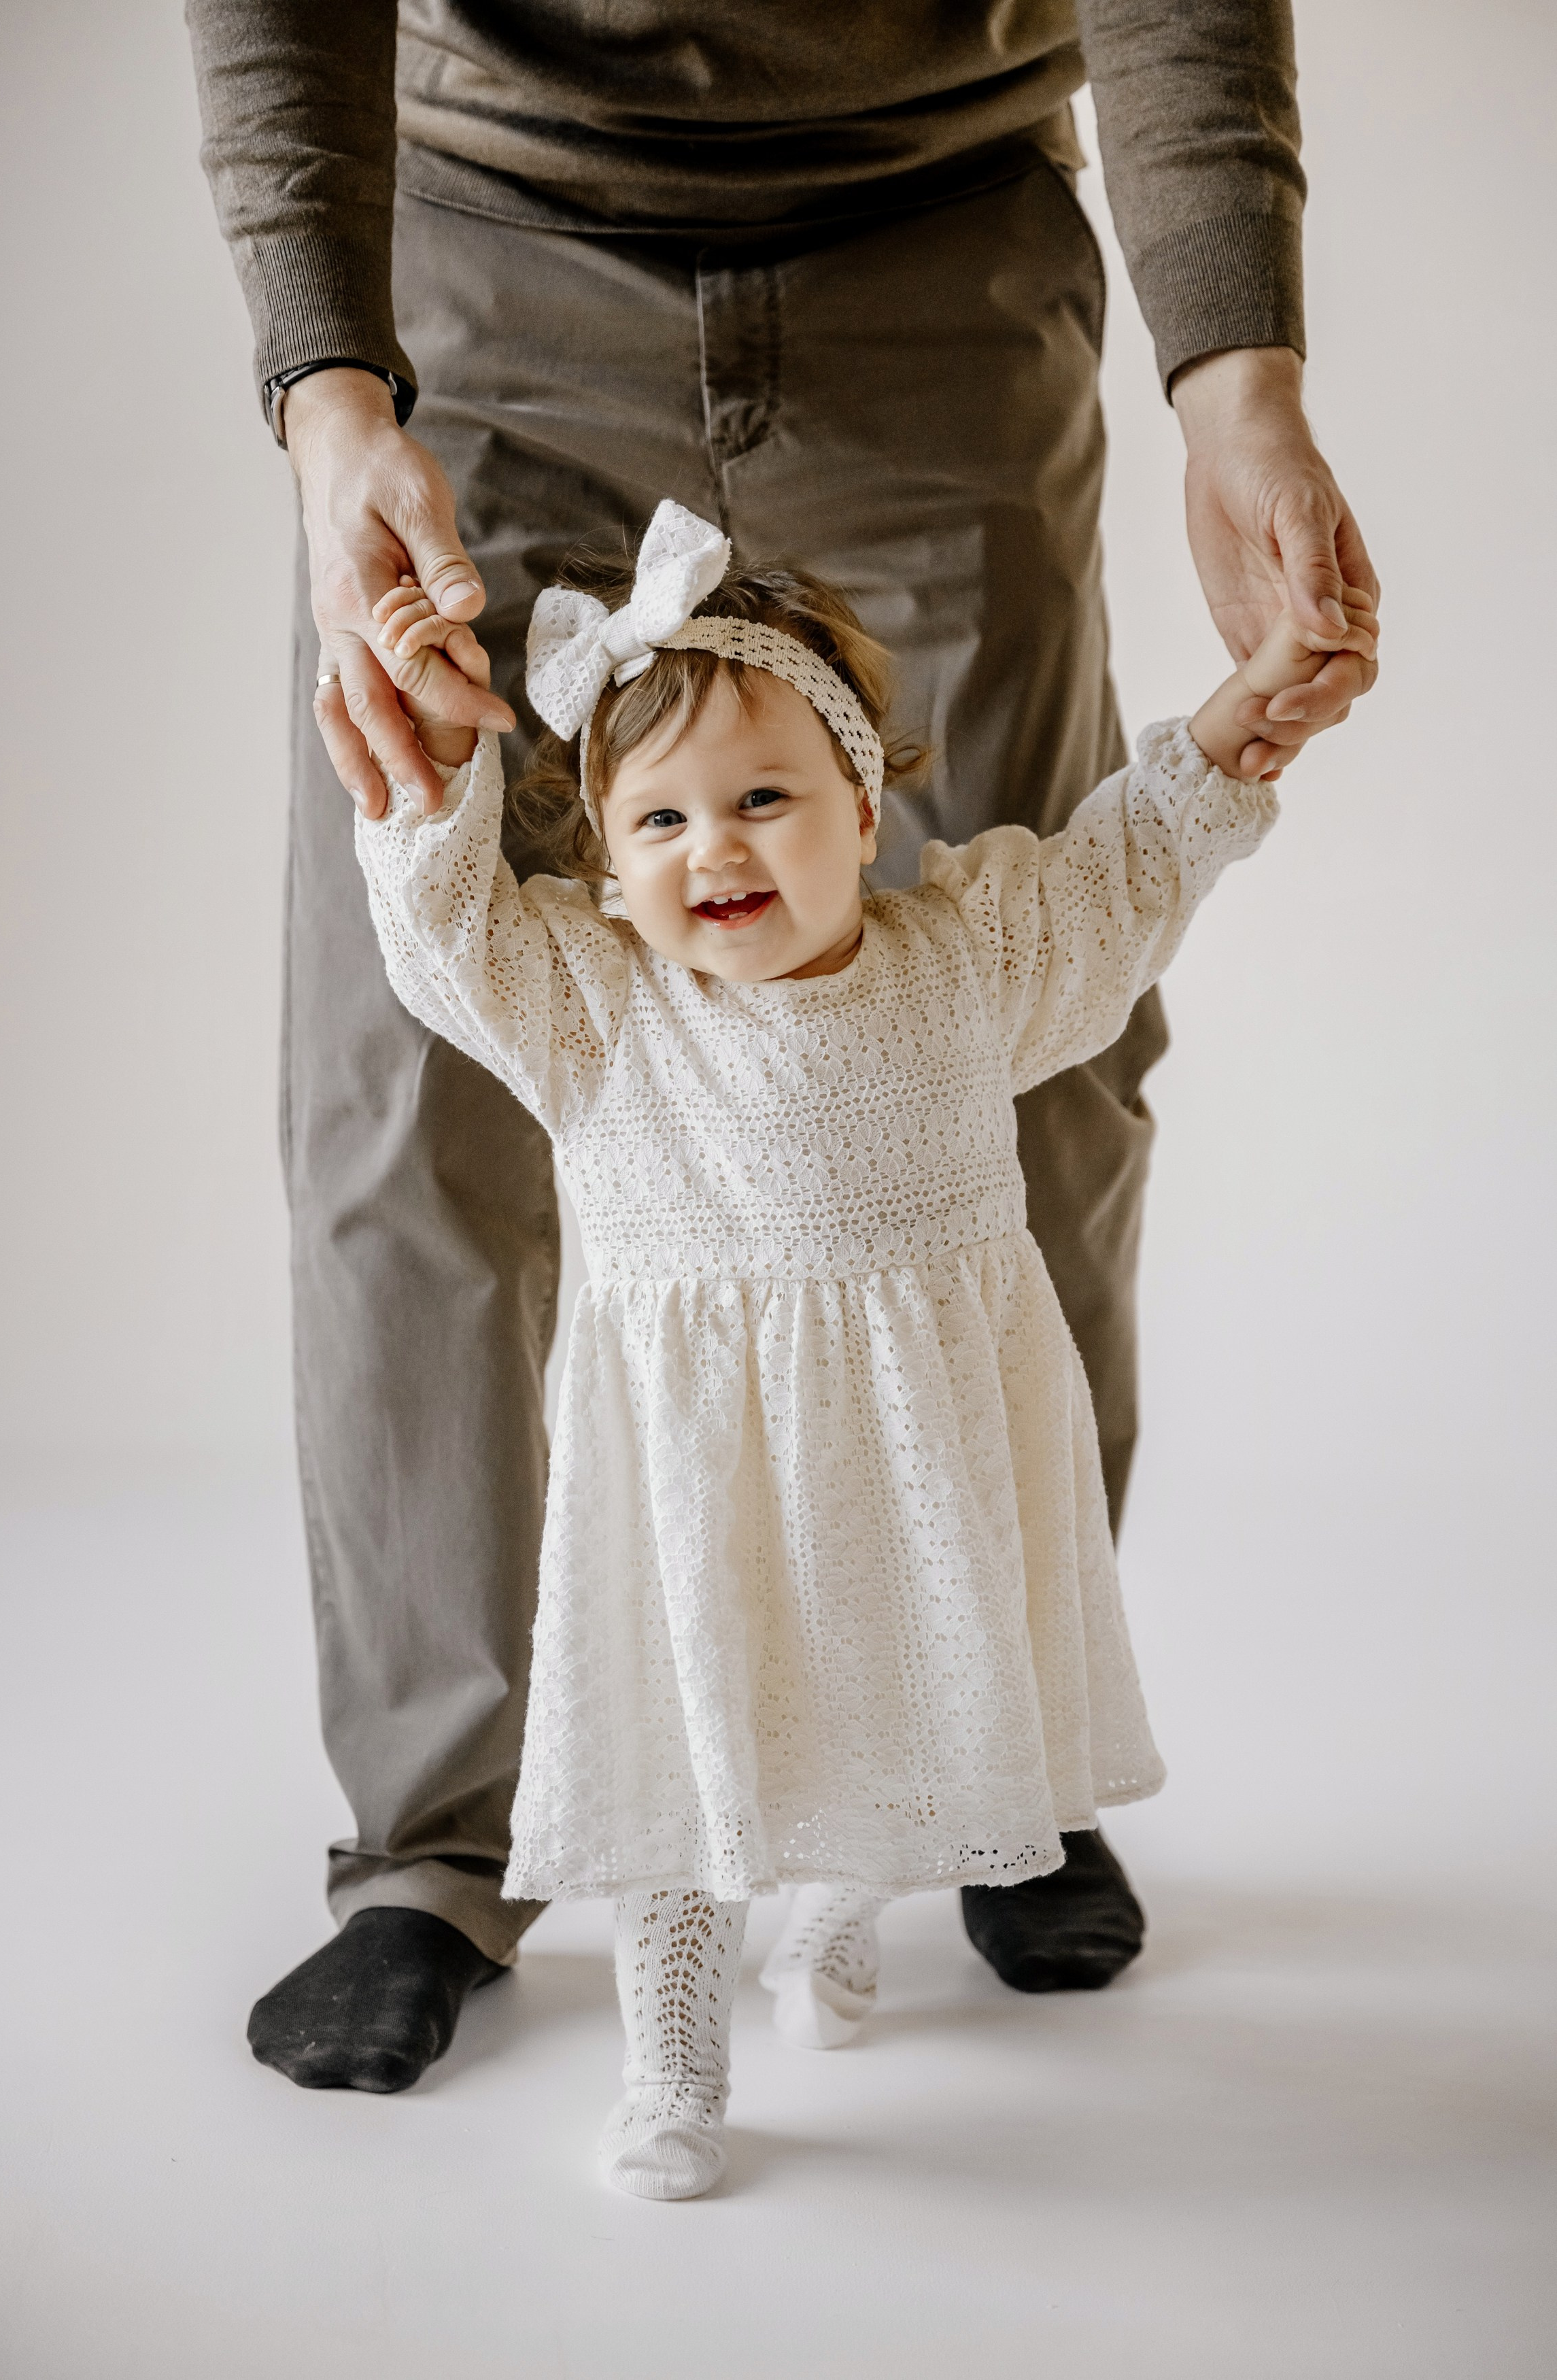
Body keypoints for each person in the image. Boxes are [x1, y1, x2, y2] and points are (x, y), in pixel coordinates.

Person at [186, 0, 1378, 2093]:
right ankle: (439, 1845)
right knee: (404, 1095)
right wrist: (324, 391)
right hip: (483, 226)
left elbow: (1089, 898)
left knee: (1044, 1057)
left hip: (939, 235)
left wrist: (1234, 371)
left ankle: (987, 1746)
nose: (720, 852)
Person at [349, 499, 1376, 2197]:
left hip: (913, 1446)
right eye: (658, 818)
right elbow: (442, 933)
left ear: (865, 803)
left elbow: (1128, 863)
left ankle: (841, 1901)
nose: (716, 848)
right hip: (695, 1468)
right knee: (692, 1748)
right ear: (605, 856)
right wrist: (437, 766)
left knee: (909, 1698)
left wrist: (1240, 718)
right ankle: (674, 2056)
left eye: (765, 798)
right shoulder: (594, 1002)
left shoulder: (965, 957)